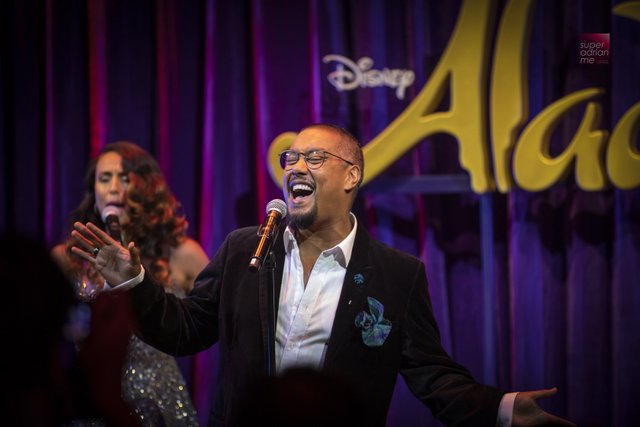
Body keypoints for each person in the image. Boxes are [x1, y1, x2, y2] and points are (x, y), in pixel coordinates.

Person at [70, 125, 575, 426]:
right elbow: (182, 332)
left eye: (315, 158)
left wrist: (503, 410)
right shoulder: (247, 248)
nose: (297, 167)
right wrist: (133, 279)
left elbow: (432, 377)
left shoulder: (396, 276)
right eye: (291, 158)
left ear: (352, 176)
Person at [54, 141, 209, 426]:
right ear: (94, 191)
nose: (114, 187)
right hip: (92, 408)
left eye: (125, 178)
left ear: (147, 188)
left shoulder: (181, 253)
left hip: (160, 404)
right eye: (104, 178)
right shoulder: (67, 259)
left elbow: (213, 319)